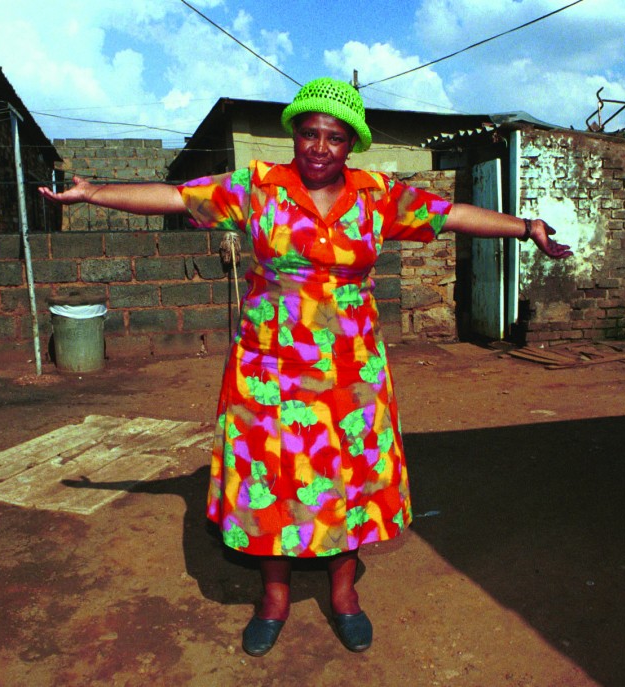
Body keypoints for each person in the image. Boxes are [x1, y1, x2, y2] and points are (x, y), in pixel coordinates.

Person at [40, 77, 571, 657]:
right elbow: (173, 197)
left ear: (352, 144)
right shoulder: (257, 188)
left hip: (351, 372)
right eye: (311, 133)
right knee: (273, 479)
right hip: (268, 368)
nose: (320, 147)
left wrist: (526, 227)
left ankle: (344, 595)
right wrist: (93, 193)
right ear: (294, 134)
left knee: (348, 477)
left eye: (336, 138)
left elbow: (453, 215)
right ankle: (274, 597)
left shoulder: (377, 195)